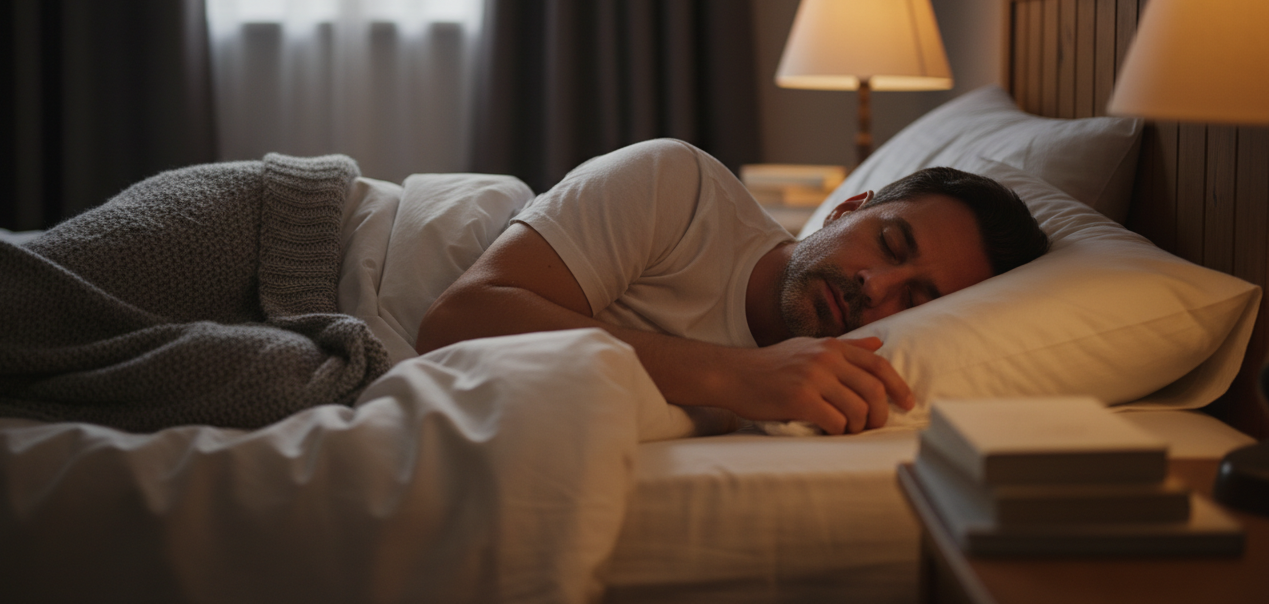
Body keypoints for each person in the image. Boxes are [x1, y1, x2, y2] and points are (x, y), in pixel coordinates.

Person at [417, 139, 1047, 435]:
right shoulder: (678, 186)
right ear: (846, 208)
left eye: (916, 300)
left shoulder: (827, 393)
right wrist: (736, 376)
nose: (875, 288)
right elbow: (456, 320)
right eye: (888, 244)